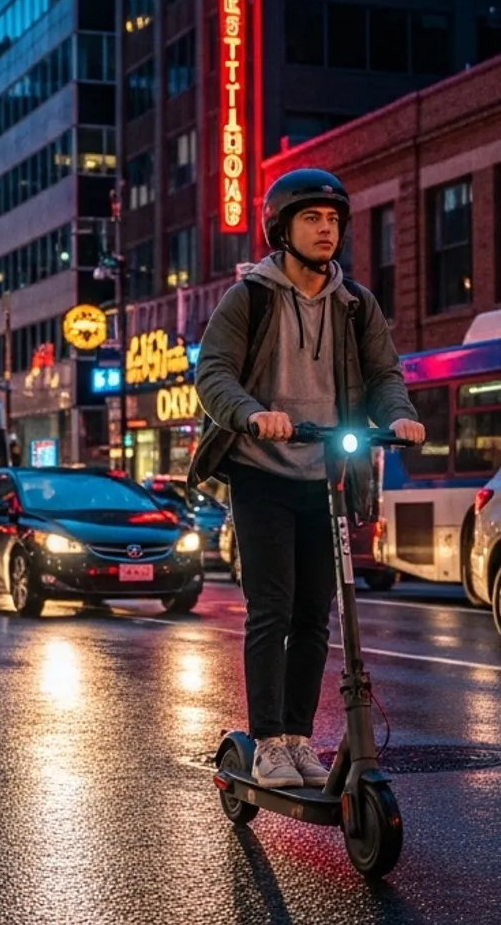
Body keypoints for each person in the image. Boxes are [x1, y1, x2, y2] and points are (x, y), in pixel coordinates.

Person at [188, 168, 426, 792]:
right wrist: (251, 414)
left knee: (317, 614)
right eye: (312, 219)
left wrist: (398, 416)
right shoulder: (251, 297)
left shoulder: (356, 304)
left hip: (328, 476)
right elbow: (213, 372)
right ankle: (268, 741)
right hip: (262, 472)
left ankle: (297, 738)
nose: (326, 230)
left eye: (333, 220)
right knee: (273, 609)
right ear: (282, 229)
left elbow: (384, 376)